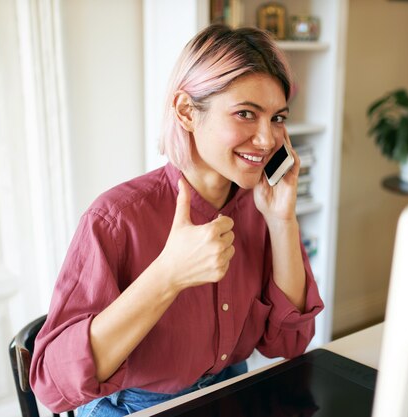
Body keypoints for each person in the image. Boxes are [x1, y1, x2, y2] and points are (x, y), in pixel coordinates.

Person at [30, 24, 324, 416]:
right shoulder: (117, 219)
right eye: (245, 114)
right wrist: (167, 275)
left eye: (277, 118)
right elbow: (53, 385)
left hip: (229, 391)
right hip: (134, 407)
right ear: (187, 111)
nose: (268, 139)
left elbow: (289, 344)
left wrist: (282, 220)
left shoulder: (262, 206)